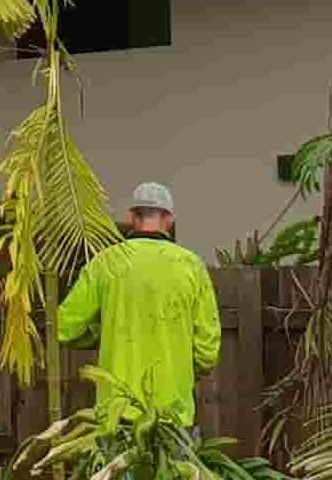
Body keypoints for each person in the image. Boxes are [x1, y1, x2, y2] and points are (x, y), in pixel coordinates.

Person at [56, 182, 221, 426]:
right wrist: (182, 369)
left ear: (131, 217)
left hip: (116, 411)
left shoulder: (106, 263)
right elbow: (207, 351)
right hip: (173, 413)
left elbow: (64, 327)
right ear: (170, 219)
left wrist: (100, 335)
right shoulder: (191, 266)